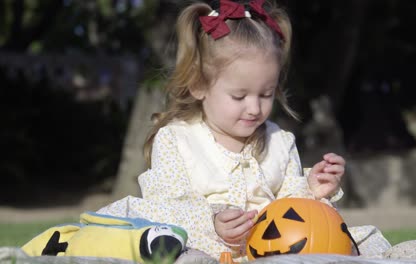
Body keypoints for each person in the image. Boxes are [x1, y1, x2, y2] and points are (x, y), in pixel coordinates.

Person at [97, 0, 346, 261]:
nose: (254, 108)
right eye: (239, 96)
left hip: (269, 254)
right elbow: (165, 207)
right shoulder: (177, 140)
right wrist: (212, 222)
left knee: (348, 246)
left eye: (266, 94)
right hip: (203, 250)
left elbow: (290, 211)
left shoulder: (280, 143)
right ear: (199, 85)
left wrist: (311, 190)